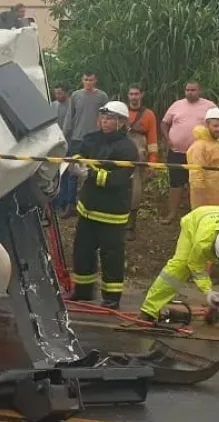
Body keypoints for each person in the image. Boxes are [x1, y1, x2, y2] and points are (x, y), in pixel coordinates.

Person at [138, 206, 219, 331]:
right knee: (179, 266)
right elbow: (196, 266)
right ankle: (149, 310)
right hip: (194, 223)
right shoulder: (202, 242)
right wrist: (208, 292)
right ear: (213, 249)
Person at [69, 101, 138, 309]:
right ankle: (82, 291)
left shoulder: (127, 149)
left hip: (111, 212)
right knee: (82, 251)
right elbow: (79, 152)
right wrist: (77, 162)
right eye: (103, 118)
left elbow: (119, 178)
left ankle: (111, 297)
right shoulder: (92, 138)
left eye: (109, 119)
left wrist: (90, 173)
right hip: (88, 208)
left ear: (122, 122)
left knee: (112, 255)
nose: (105, 122)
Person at [160, 81, 217, 224]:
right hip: (177, 152)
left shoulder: (209, 106)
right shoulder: (177, 105)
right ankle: (172, 214)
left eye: (193, 90)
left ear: (200, 91)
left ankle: (198, 215)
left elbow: (218, 125)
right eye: (187, 90)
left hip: (200, 154)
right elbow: (164, 123)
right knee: (175, 184)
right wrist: (168, 139)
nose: (190, 92)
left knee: (199, 184)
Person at [59, 71, 109, 218]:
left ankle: (93, 203)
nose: (88, 82)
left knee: (94, 169)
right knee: (73, 170)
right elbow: (70, 117)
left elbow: (105, 116)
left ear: (95, 81)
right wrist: (64, 135)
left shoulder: (102, 97)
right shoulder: (76, 96)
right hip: (77, 138)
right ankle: (70, 204)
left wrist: (104, 134)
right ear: (82, 80)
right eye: (86, 80)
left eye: (91, 80)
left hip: (95, 138)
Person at [125, 83, 159, 240]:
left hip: (138, 157)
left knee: (135, 190)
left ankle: (131, 225)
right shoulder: (121, 112)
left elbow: (152, 140)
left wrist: (152, 161)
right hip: (121, 154)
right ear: (127, 96)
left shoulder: (148, 115)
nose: (133, 97)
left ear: (141, 95)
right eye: (131, 94)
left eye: (136, 94)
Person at [187, 108, 219, 209]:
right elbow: (196, 175)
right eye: (215, 126)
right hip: (206, 198)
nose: (218, 129)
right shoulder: (199, 146)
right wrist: (200, 198)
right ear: (207, 125)